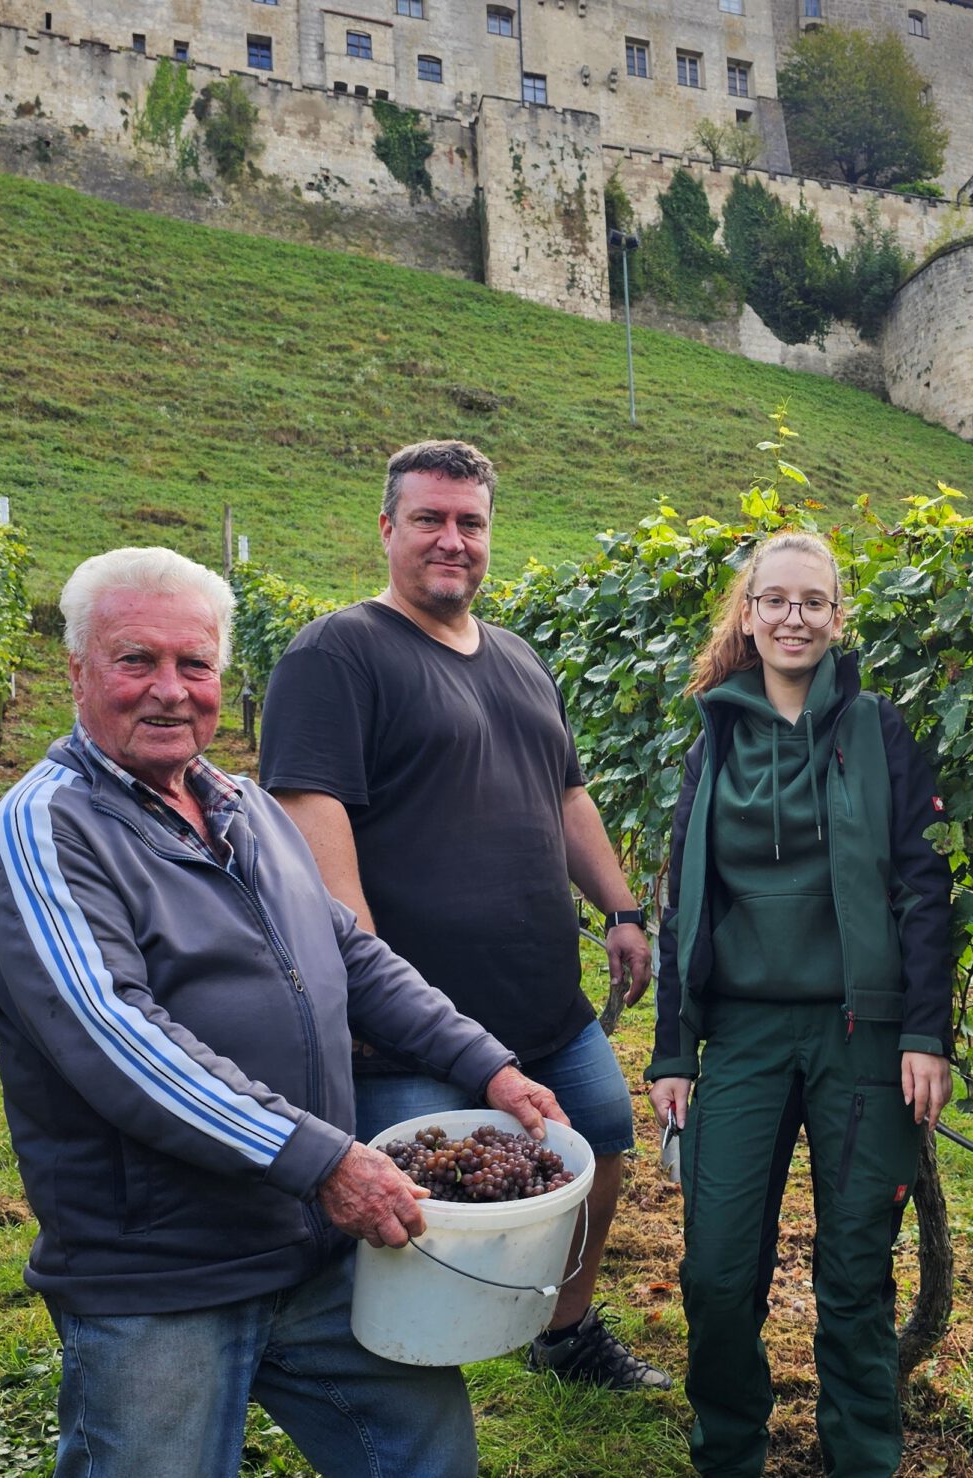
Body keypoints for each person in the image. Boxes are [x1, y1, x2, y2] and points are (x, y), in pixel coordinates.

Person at [0, 546, 569, 1478]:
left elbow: (351, 956)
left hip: (311, 1251)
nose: (170, 690)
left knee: (425, 1457)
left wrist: (484, 1061)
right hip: (162, 1275)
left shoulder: (244, 807)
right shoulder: (49, 825)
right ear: (78, 670)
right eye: (136, 661)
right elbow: (115, 1033)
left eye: (195, 664)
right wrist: (325, 1160)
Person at [258, 439, 667, 1391]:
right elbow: (316, 832)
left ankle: (563, 1334)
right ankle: (399, 1392)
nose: (453, 540)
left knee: (600, 1148)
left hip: (545, 1009)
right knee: (413, 1211)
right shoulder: (338, 653)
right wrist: (366, 996)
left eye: (470, 522)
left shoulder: (520, 658)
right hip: (413, 1028)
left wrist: (621, 905)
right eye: (430, 519)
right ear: (387, 528)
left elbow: (566, 797)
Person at [646, 531, 955, 1477]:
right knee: (717, 1269)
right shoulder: (716, 730)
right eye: (774, 600)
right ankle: (728, 1451)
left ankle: (861, 1456)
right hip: (740, 1032)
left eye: (812, 601)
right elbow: (687, 896)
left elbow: (923, 883)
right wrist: (671, 1047)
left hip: (860, 1036)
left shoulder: (879, 727)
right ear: (748, 613)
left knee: (856, 1272)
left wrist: (926, 1030)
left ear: (836, 616)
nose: (793, 617)